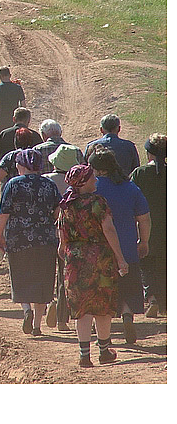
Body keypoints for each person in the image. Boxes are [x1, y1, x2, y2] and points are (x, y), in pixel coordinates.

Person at [57, 164, 129, 367]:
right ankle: (104, 351)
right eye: (92, 178)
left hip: (75, 261)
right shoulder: (97, 202)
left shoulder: (66, 204)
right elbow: (108, 229)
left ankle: (84, 354)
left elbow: (61, 239)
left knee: (82, 308)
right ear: (83, 183)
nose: (96, 181)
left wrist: (66, 252)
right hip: (100, 259)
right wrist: (120, 258)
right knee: (102, 306)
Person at [88, 146, 151, 344]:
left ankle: (97, 328)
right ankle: (127, 313)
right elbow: (144, 218)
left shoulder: (91, 187)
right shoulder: (130, 187)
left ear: (94, 168)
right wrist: (144, 241)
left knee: (99, 289)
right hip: (126, 246)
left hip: (97, 249)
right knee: (128, 286)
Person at [0, 149, 61, 336]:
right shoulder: (49, 184)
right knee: (43, 281)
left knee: (21, 278)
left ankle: (27, 310)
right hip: (45, 240)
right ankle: (37, 326)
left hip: (18, 240)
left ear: (22, 165)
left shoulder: (13, 184)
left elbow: (3, 213)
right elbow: (58, 213)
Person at [44, 144, 86, 331]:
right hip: (70, 236)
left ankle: (47, 305)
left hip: (47, 235)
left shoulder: (46, 180)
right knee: (66, 277)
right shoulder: (78, 186)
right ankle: (64, 318)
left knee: (47, 275)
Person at [129, 134, 166, 318]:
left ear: (148, 153)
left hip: (147, 225)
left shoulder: (140, 173)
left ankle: (152, 298)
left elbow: (132, 200)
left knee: (147, 263)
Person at [0, 66, 25, 136]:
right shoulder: (18, 88)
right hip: (15, 120)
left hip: (1, 119)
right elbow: (23, 105)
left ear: (0, 76)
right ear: (10, 75)